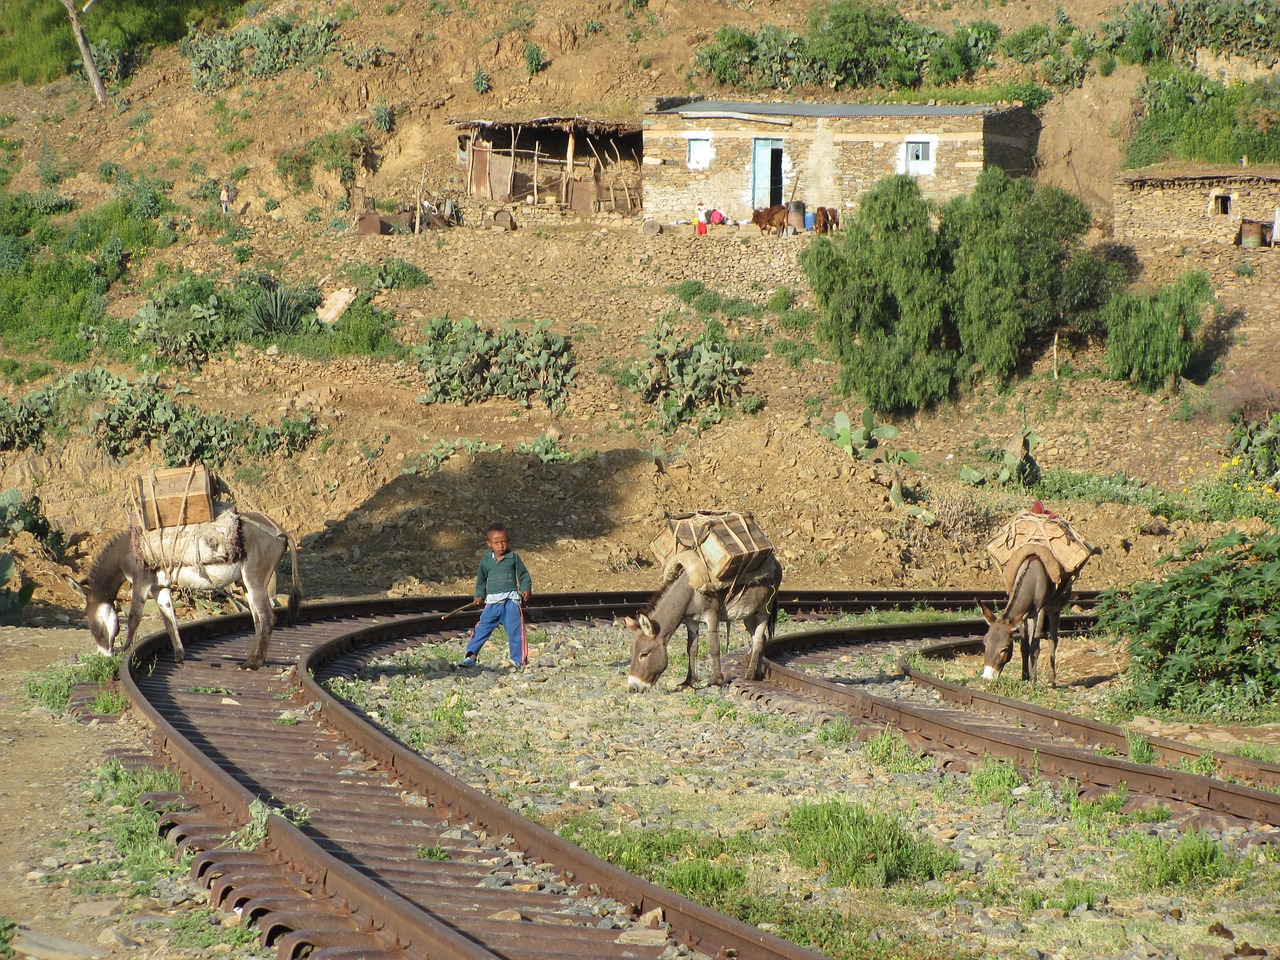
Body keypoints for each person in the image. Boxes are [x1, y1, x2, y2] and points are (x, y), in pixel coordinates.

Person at [457, 523, 532, 668]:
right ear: (489, 544)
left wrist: (526, 588)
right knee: (481, 629)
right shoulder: (486, 562)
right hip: (492, 603)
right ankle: (470, 657)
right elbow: (481, 581)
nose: (500, 546)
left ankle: (518, 660)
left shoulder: (513, 558)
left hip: (511, 602)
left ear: (508, 541)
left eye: (503, 541)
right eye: (496, 542)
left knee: (516, 631)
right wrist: (479, 595)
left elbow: (523, 575)